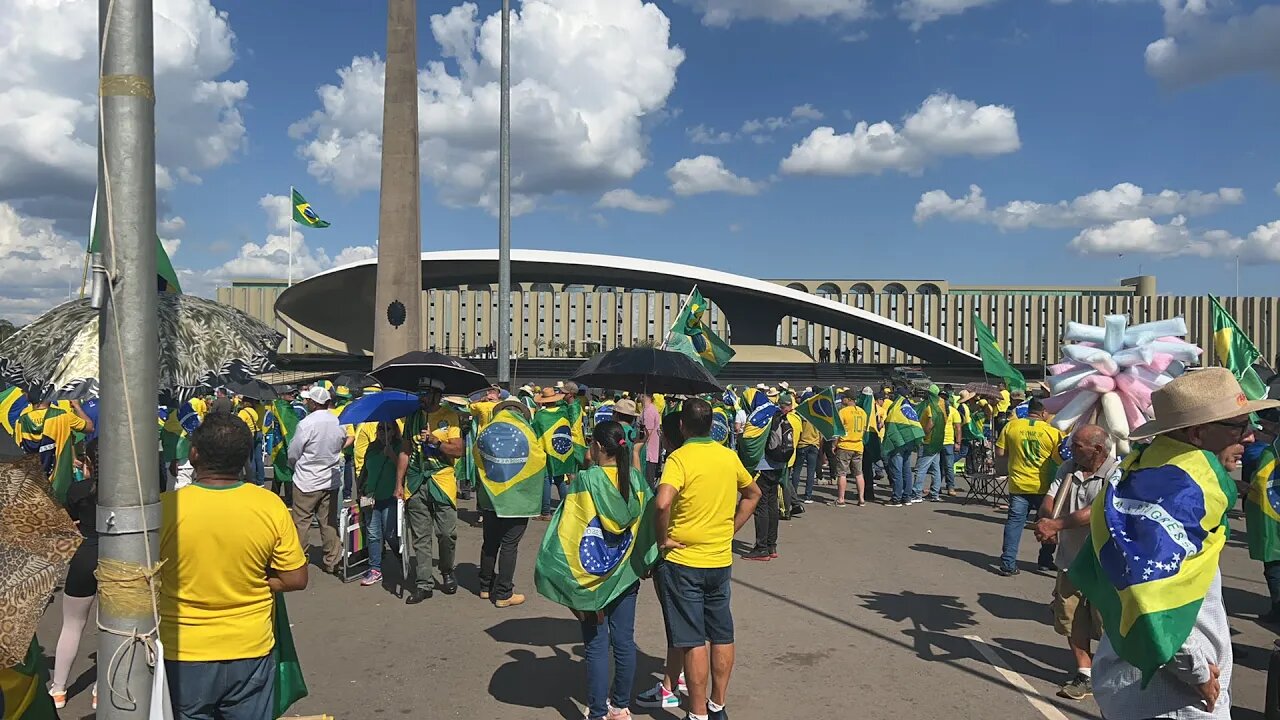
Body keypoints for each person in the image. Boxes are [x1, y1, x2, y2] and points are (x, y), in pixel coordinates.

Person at [1078, 368, 1278, 720]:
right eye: (1239, 426)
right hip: (1169, 695)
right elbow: (1147, 593)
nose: (1250, 437)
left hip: (1147, 680)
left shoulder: (1149, 472)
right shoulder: (1181, 490)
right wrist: (1196, 669)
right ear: (1199, 433)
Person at [160, 412, 308, 719]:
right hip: (250, 647)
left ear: (194, 453)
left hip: (183, 649)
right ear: (244, 459)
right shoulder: (269, 505)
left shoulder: (164, 509)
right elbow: (295, 578)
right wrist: (262, 583)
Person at [654, 398, 763, 720]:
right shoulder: (728, 456)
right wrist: (731, 528)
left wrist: (663, 539)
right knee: (721, 633)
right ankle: (718, 704)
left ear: (683, 426)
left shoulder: (680, 458)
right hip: (718, 558)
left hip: (684, 560)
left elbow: (662, 503)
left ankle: (697, 712)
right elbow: (753, 493)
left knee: (691, 639)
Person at [550, 421, 654, 720]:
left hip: (592, 577)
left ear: (596, 447)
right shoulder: (635, 480)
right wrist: (644, 563)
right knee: (624, 641)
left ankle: (597, 712)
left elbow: (569, 532)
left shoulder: (586, 480)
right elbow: (648, 522)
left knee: (596, 645)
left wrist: (571, 585)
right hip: (626, 574)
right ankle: (620, 706)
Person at [1033, 425, 1120, 701]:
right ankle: (1085, 673)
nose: (1071, 450)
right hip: (1070, 561)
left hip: (1104, 564)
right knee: (1071, 619)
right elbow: (1050, 498)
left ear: (1097, 449)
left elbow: (1099, 512)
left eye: (1078, 446)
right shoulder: (1068, 468)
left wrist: (1057, 524)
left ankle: (1113, 671)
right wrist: (1047, 521)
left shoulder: (1117, 474)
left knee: (1106, 622)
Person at [396, 382, 464, 604]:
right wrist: (399, 484)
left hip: (441, 481)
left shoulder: (450, 416)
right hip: (416, 481)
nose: (421, 397)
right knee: (421, 538)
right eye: (419, 392)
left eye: (425, 393)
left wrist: (436, 442)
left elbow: (458, 450)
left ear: (437, 395)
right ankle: (423, 584)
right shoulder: (412, 418)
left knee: (446, 533)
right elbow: (405, 451)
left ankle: (446, 570)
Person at [48, 439, 99, 711]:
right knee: (113, 625)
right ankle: (101, 689)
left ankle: (58, 688)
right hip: (119, 558)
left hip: (84, 556)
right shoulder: (124, 492)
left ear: (88, 463)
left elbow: (67, 521)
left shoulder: (79, 489)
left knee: (72, 623)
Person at [477, 399, 541, 608]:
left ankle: (485, 586)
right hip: (516, 499)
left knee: (490, 543)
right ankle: (504, 593)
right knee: (509, 545)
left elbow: (476, 457)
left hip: (490, 497)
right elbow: (538, 458)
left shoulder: (487, 430)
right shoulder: (526, 432)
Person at [995, 397, 1062, 576]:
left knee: (1014, 524)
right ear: (1044, 412)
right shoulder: (1052, 432)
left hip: (1018, 485)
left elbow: (1000, 452)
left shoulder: (1012, 426)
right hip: (1043, 487)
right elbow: (1059, 459)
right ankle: (1045, 561)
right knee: (1049, 523)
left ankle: (1008, 563)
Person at [288, 386, 349, 574]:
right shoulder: (338, 421)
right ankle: (333, 560)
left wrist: (293, 466)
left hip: (307, 479)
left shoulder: (306, 424)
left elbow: (294, 452)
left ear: (314, 403)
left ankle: (299, 560)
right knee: (328, 521)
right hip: (330, 478)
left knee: (301, 522)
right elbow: (341, 443)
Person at [744, 392, 792, 561]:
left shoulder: (761, 415)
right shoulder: (778, 413)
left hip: (763, 467)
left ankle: (761, 547)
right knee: (772, 505)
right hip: (778, 465)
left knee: (761, 506)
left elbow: (750, 442)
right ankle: (772, 545)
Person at [356, 419, 402, 587]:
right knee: (373, 534)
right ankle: (375, 568)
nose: (383, 432)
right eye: (380, 429)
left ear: (394, 431)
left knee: (391, 534)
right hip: (371, 496)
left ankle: (401, 556)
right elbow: (365, 470)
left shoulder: (399, 446)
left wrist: (392, 455)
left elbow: (404, 469)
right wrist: (360, 487)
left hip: (390, 495)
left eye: (387, 428)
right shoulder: (372, 447)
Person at [1244, 410, 1280, 622]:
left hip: (1271, 520)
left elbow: (1251, 458)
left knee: (1274, 567)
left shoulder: (1267, 452)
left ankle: (1277, 611)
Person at [834, 389, 870, 507]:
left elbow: (838, 431)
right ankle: (861, 499)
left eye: (844, 397)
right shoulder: (863, 412)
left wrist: (834, 445)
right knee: (859, 473)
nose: (842, 399)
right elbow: (864, 430)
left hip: (845, 445)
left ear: (849, 399)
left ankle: (841, 499)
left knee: (842, 473)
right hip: (858, 445)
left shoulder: (843, 412)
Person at [781, 394, 805, 517]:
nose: (781, 408)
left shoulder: (785, 419)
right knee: (786, 481)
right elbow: (800, 435)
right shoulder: (797, 418)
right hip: (792, 453)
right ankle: (795, 504)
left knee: (784, 483)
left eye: (782, 406)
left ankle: (786, 510)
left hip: (784, 454)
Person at [792, 409, 822, 504]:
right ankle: (808, 496)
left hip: (802, 444)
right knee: (811, 471)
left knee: (797, 470)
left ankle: (793, 494)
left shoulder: (801, 415)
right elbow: (821, 434)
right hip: (814, 445)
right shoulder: (818, 416)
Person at [237, 396, 265, 486]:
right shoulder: (256, 410)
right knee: (258, 458)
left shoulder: (243, 412)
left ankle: (251, 479)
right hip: (258, 432)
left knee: (250, 459)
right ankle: (260, 479)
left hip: (248, 435)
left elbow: (239, 423)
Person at [641, 394, 662, 488]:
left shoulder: (648, 411)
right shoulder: (651, 409)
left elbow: (646, 434)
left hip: (648, 454)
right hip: (651, 453)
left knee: (647, 485)